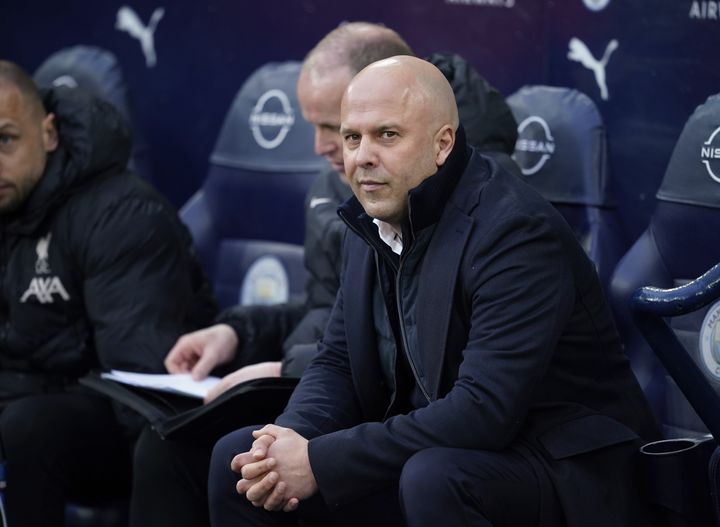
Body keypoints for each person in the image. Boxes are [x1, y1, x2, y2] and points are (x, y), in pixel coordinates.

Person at [209, 56, 661, 527]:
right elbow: (338, 360)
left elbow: (483, 410)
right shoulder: (372, 216)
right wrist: (286, 441)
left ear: (442, 143)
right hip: (450, 453)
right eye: (351, 137)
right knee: (240, 463)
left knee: (433, 476)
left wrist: (320, 461)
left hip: (569, 470)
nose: (363, 156)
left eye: (387, 135)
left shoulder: (515, 232)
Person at [128, 22, 413, 527]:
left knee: (235, 460)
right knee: (167, 443)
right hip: (320, 382)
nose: (322, 145)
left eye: (334, 126)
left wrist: (282, 370)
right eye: (324, 128)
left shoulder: (435, 191)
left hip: (381, 414)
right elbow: (328, 312)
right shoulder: (331, 188)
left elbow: (399, 339)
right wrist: (235, 333)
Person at [0, 60, 216, 527]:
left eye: (5, 140)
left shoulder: (122, 215)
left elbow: (141, 389)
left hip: (130, 434)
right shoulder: (8, 203)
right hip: (37, 401)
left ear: (49, 132)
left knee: (28, 427)